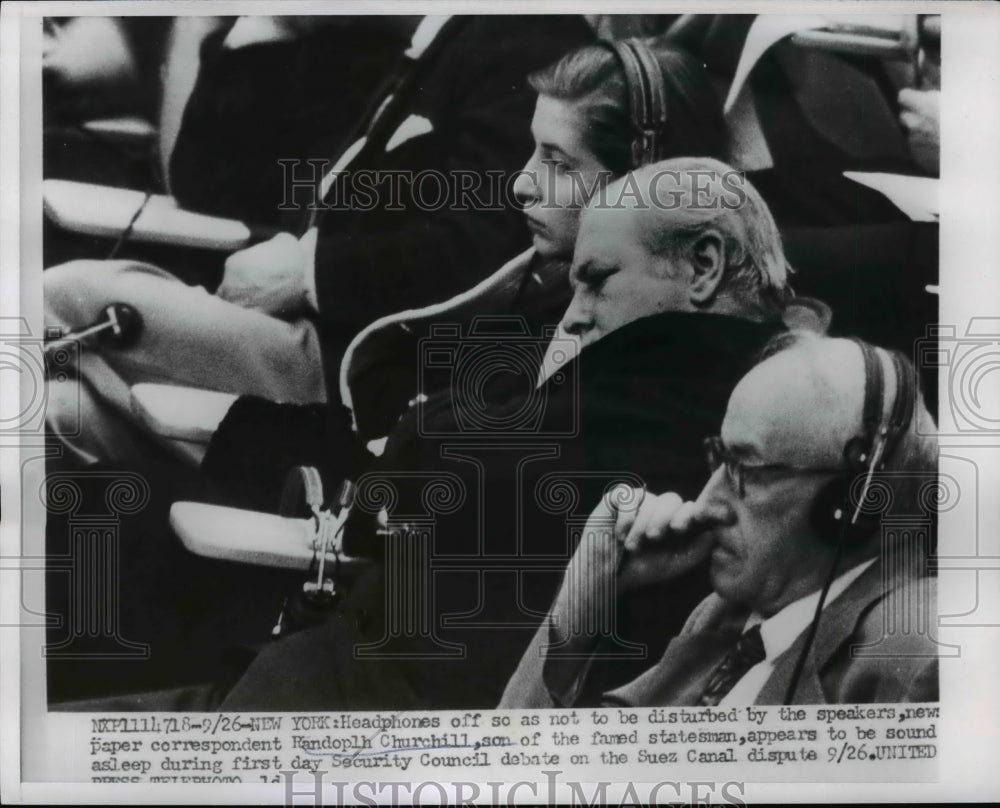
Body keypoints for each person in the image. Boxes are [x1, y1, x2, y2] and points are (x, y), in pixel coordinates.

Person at [48, 39, 733, 705]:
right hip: (351, 555)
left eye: (557, 161)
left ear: (641, 177)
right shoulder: (534, 287)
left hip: (362, 610)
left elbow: (423, 473)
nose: (522, 182)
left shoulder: (611, 356)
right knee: (61, 415)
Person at [43, 14, 594, 468]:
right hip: (301, 329)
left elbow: (484, 250)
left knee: (55, 296)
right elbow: (209, 181)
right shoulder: (425, 37)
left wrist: (307, 274)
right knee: (64, 407)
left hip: (362, 368)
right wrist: (267, 25)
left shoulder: (525, 38)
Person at [501, 332, 938, 707]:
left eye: (747, 469)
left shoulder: (915, 658)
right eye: (721, 458)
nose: (708, 502)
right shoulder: (728, 617)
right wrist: (585, 595)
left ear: (853, 503)